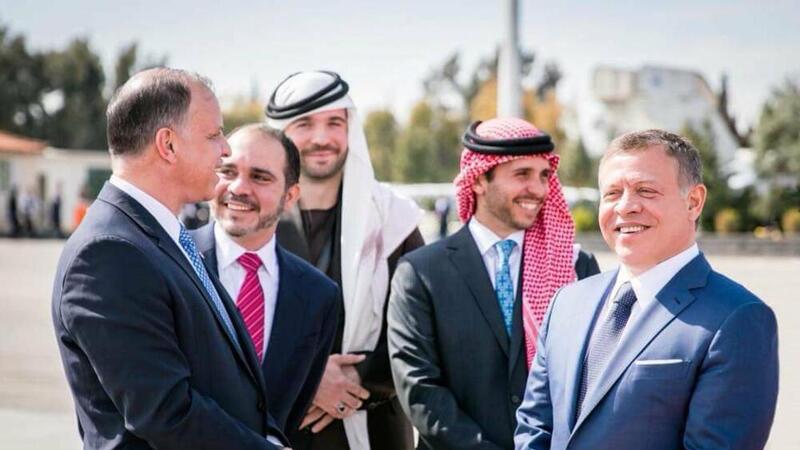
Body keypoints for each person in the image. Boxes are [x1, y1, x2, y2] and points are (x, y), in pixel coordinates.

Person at [51, 68, 289, 449]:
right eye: (214, 135)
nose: (225, 149)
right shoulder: (108, 254)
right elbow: (165, 413)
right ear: (168, 145)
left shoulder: (164, 235)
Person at [514, 129, 779, 450]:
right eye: (612, 193)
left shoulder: (736, 319)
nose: (625, 206)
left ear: (694, 202)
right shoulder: (567, 302)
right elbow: (534, 427)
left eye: (646, 190)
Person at [387, 117, 600, 449]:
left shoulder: (576, 267)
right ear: (478, 180)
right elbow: (421, 390)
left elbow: (594, 376)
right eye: (522, 174)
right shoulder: (421, 273)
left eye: (544, 175)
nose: (538, 189)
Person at [266, 70, 423, 450]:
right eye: (305, 124)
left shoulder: (394, 221)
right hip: (275, 429)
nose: (322, 138)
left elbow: (423, 330)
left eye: (334, 123)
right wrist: (308, 381)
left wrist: (355, 379)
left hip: (375, 429)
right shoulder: (252, 219)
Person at [191, 124, 340, 441]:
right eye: (227, 172)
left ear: (290, 196)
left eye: (259, 177)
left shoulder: (319, 296)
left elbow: (291, 412)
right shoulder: (169, 260)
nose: (238, 188)